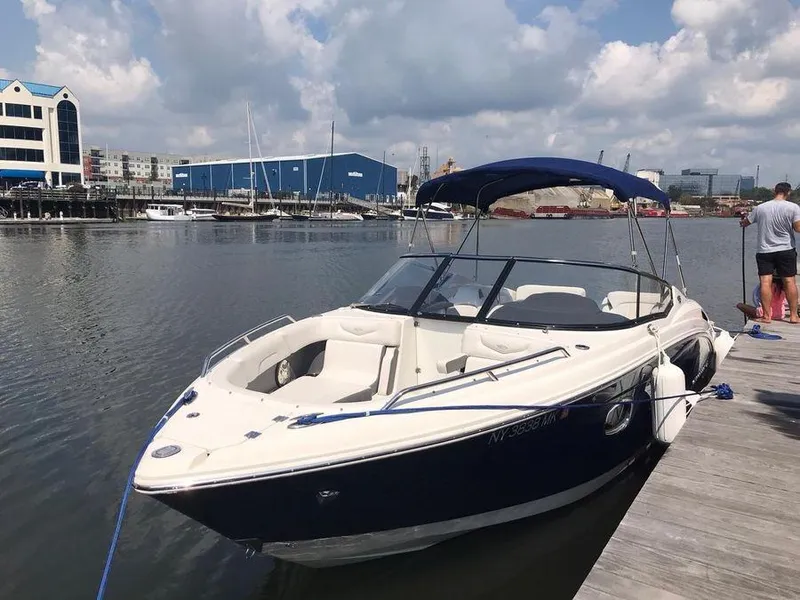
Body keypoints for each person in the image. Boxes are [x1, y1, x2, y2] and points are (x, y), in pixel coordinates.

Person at [740, 182, 800, 323]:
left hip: (764, 250)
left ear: (774, 191)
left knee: (765, 282)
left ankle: (766, 316)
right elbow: (798, 228)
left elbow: (745, 222)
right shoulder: (793, 208)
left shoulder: (760, 208)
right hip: (786, 249)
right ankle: (793, 316)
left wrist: (742, 220)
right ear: (788, 192)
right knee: (789, 281)